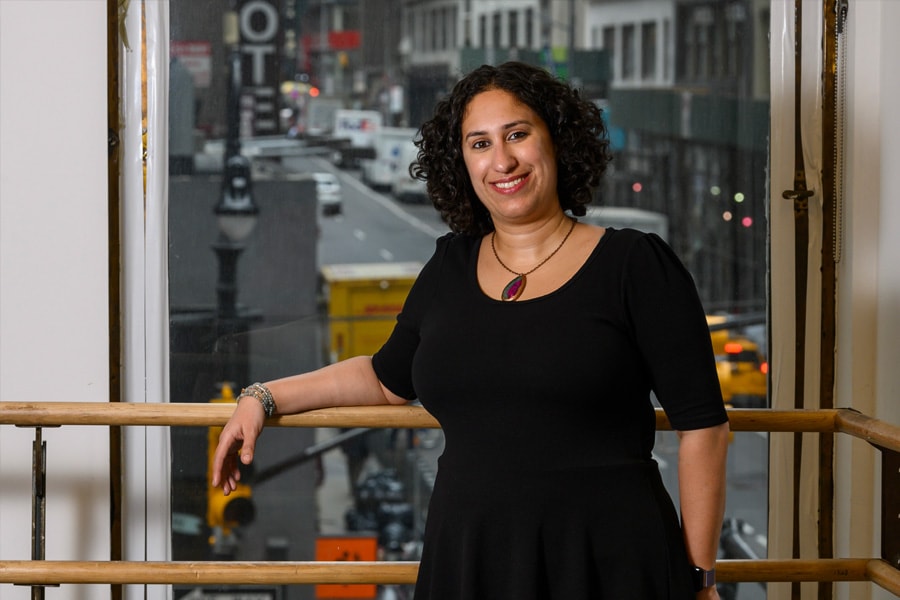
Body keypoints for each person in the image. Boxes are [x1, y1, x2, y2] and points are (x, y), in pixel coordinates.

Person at [212, 61, 730, 599]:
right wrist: (263, 397)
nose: (502, 160)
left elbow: (703, 428)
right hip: (470, 557)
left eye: (518, 134)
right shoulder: (449, 267)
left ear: (557, 139)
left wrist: (700, 578)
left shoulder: (636, 265)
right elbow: (385, 379)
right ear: (460, 162)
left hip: (607, 561)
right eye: (479, 143)